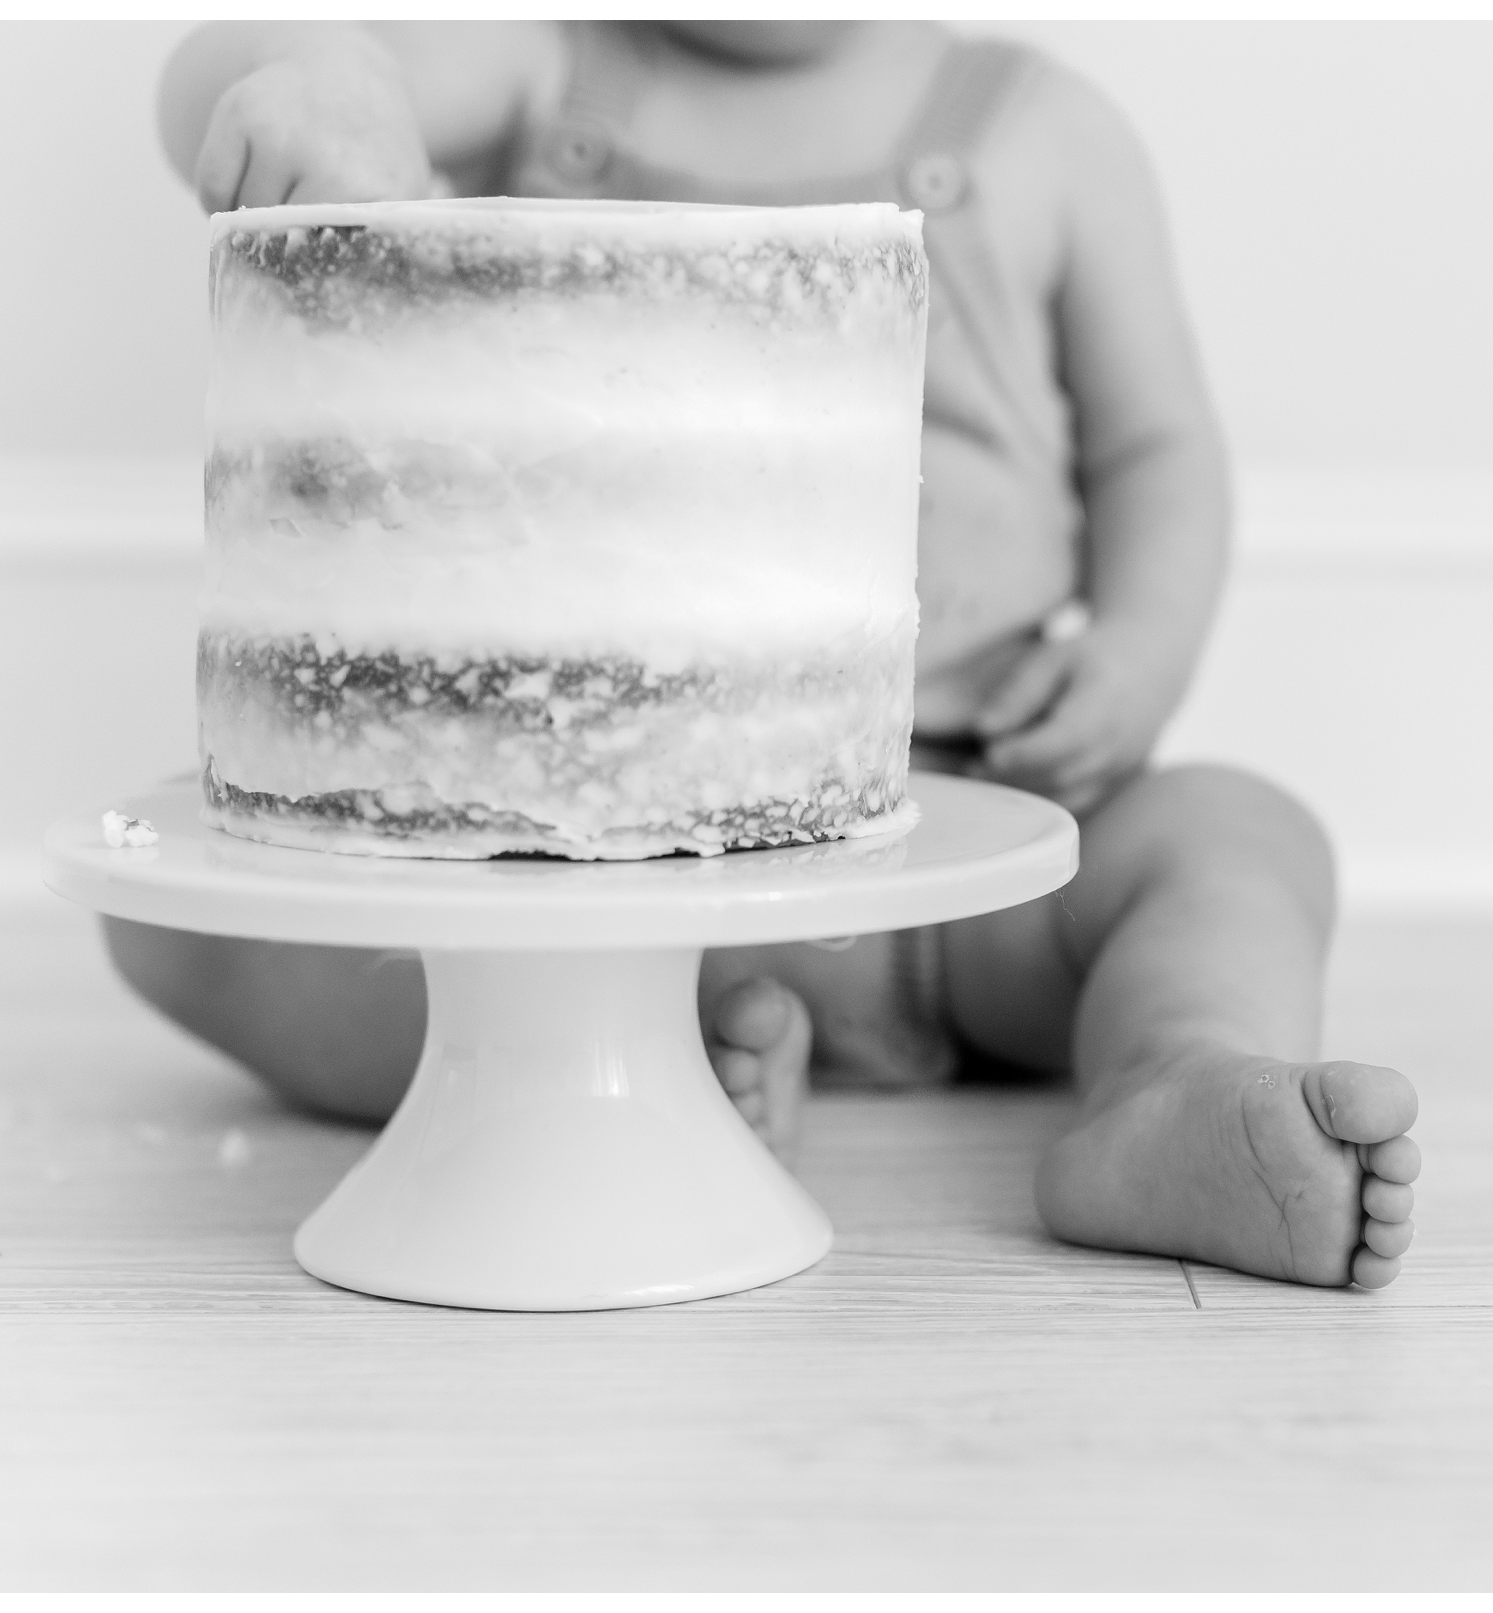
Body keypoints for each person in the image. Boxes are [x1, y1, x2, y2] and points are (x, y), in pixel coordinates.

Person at [128, 19, 1421, 1291]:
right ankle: (622, 1074)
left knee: (1235, 831)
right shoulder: (538, 67)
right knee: (176, 914)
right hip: (589, 893)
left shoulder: (1048, 135)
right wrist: (321, 79)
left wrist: (1139, 655)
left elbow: (1158, 451)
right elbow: (220, 76)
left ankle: (1179, 1080)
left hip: (985, 851)